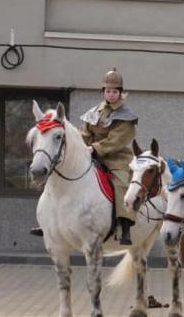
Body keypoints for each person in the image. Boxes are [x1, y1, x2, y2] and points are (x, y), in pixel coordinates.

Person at [30, 68, 139, 243]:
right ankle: (49, 222)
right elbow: (84, 133)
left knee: (120, 182)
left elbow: (118, 139)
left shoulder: (126, 116)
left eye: (115, 91)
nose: (111, 94)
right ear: (103, 91)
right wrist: (82, 146)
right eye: (108, 91)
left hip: (116, 157)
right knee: (59, 176)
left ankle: (123, 225)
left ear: (120, 93)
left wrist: (95, 148)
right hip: (90, 153)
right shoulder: (94, 111)